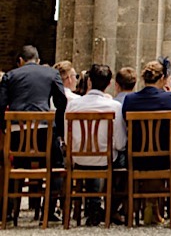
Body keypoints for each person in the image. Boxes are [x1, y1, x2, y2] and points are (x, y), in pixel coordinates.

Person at [0, 45, 68, 223]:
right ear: (37, 60)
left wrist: (4, 129)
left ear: (20, 61)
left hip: (17, 137)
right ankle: (49, 211)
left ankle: (7, 211)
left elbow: (0, 105)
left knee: (9, 163)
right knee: (57, 163)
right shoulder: (51, 74)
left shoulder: (10, 76)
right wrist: (59, 131)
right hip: (44, 135)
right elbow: (62, 102)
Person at [122, 60, 171, 225]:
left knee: (151, 160)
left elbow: (126, 124)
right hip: (166, 157)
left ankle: (151, 206)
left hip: (137, 158)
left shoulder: (130, 100)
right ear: (163, 78)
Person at [64, 64, 126, 225]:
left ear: (89, 81)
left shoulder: (73, 105)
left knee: (91, 159)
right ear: (109, 84)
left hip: (78, 158)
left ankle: (94, 208)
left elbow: (66, 138)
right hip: (105, 160)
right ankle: (111, 209)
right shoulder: (115, 106)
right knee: (122, 159)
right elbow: (120, 143)